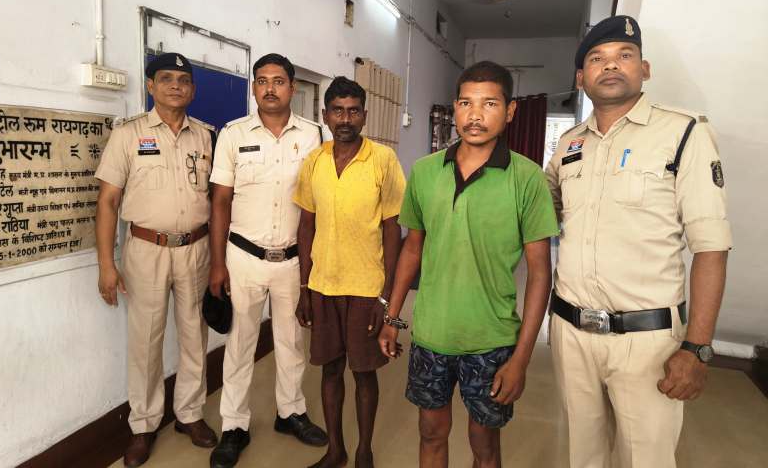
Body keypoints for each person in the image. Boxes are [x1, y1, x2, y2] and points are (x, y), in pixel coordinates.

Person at [545, 15, 732, 468]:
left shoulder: (683, 133)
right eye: (597, 58)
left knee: (645, 460)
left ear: (644, 69)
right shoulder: (568, 145)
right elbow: (539, 211)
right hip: (572, 334)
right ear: (581, 78)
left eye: (624, 56)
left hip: (647, 341)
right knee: (582, 456)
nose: (611, 66)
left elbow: (710, 247)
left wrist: (697, 347)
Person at [378, 61, 559, 468]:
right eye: (465, 103)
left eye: (489, 103)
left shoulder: (527, 178)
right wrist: (392, 315)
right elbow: (412, 249)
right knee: (431, 432)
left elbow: (539, 273)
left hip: (491, 340)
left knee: (484, 444)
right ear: (455, 108)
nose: (475, 115)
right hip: (431, 335)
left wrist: (520, 359)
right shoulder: (425, 172)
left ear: (510, 111)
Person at [95, 52, 218, 467]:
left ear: (192, 90)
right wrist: (107, 264)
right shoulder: (128, 135)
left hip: (196, 249)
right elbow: (108, 202)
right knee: (145, 341)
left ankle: (190, 414)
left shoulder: (206, 137)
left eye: (183, 80)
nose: (175, 86)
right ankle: (144, 425)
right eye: (166, 79)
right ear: (150, 86)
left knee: (194, 335)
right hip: (146, 250)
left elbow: (217, 198)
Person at [207, 53, 327, 468]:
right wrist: (218, 264)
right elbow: (220, 201)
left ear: (292, 87)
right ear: (254, 88)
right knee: (240, 343)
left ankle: (290, 412)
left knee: (291, 341)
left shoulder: (314, 136)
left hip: (293, 260)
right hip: (243, 257)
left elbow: (321, 203)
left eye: (278, 81)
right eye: (262, 81)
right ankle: (234, 425)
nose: (270, 88)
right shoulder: (233, 134)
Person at [294, 76, 406, 468]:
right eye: (338, 111)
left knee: (363, 373)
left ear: (364, 116)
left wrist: (385, 296)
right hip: (323, 285)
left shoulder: (383, 160)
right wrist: (304, 288)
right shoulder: (314, 161)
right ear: (325, 115)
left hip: (366, 288)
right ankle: (336, 450)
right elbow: (306, 226)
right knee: (330, 370)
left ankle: (363, 452)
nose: (345, 119)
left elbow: (393, 229)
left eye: (353, 111)